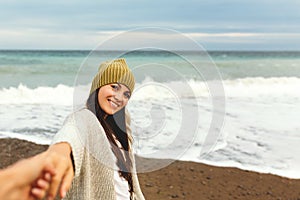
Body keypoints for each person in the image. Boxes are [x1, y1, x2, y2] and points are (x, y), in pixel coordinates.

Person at [45, 58, 145, 199]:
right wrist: (59, 152)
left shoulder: (121, 130)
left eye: (126, 94)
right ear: (98, 86)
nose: (119, 97)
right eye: (114, 87)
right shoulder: (84, 118)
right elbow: (70, 134)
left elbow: (129, 187)